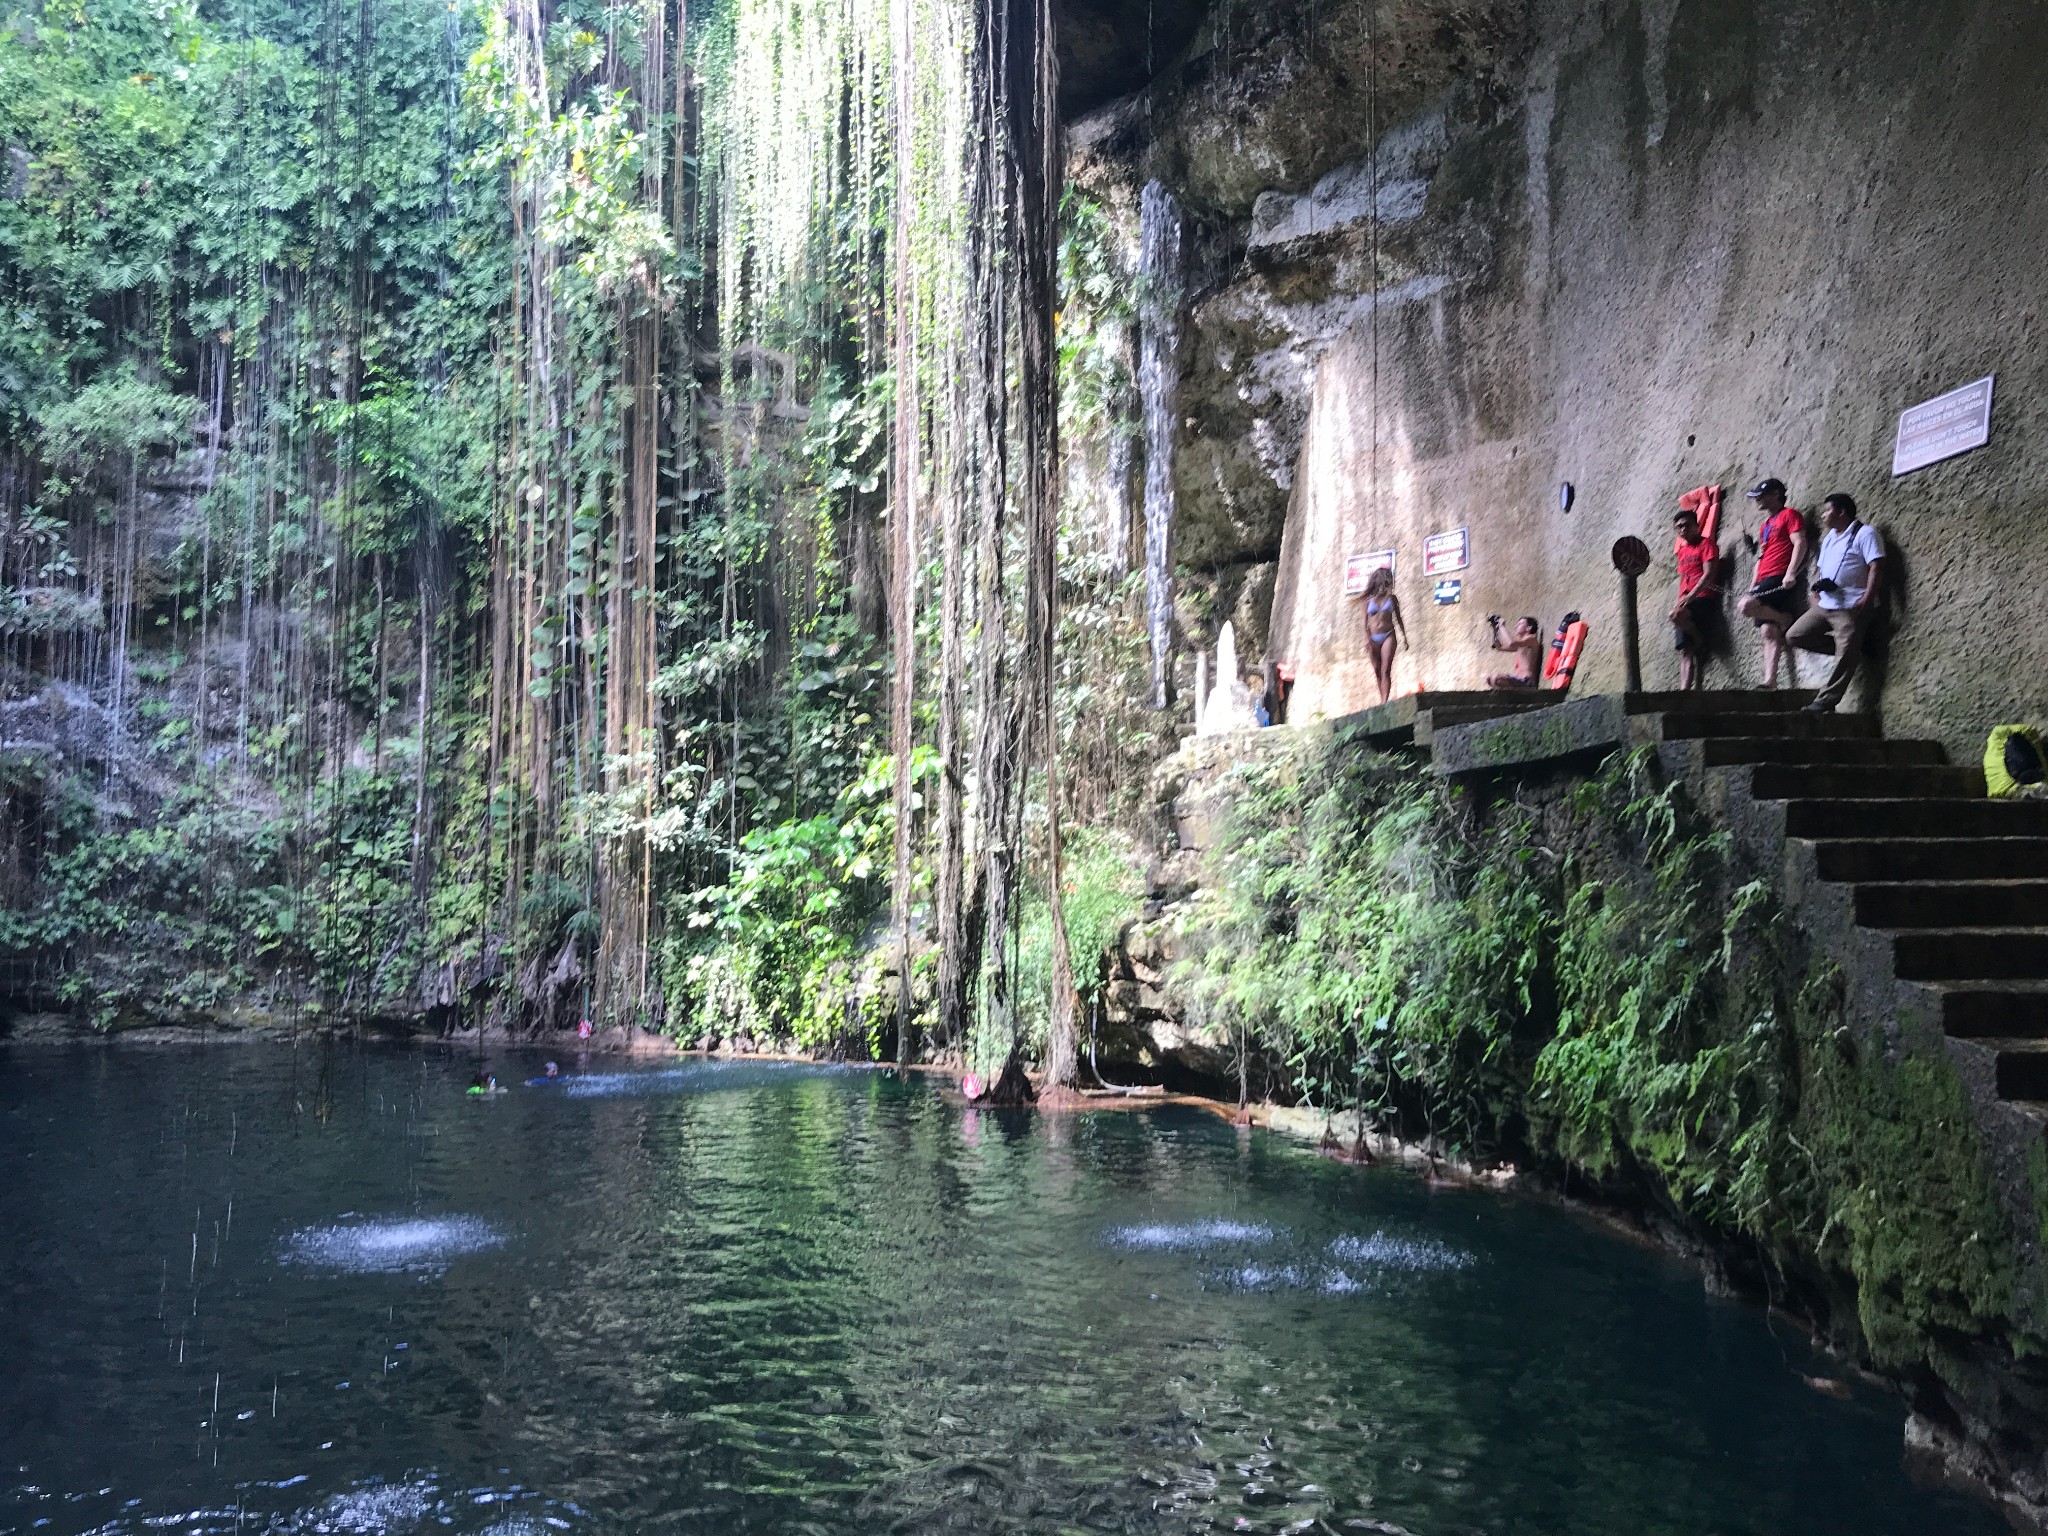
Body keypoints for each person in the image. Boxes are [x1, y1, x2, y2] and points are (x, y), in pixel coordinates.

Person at [1786, 492, 1884, 713]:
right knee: (1795, 635)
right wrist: (1815, 590)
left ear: (1841, 512)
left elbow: (1876, 567)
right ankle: (1856, 650)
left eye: (1827, 510)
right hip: (1826, 603)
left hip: (1851, 605)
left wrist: (1867, 600)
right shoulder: (1830, 537)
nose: (1823, 515)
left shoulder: (1865, 533)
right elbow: (1822, 567)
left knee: (1846, 646)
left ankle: (1826, 700)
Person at [1735, 478, 1809, 689]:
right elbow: (1760, 558)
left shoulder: (1790, 515)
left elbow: (1800, 542)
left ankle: (1784, 618)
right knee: (1768, 631)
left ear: (1776, 494)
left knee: (1745, 606)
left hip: (1779, 576)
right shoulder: (1765, 525)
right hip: (1763, 578)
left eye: (1762, 495)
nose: (1758, 499)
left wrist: (1791, 573)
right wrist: (1752, 584)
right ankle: (1771, 680)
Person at [1669, 507, 1720, 690]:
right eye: (1679, 527)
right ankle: (1685, 690)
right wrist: (1679, 599)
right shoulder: (1682, 551)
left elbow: (1708, 574)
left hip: (1702, 598)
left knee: (1675, 616)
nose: (1683, 529)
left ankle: (1699, 640)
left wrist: (1690, 597)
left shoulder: (1707, 545)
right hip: (1686, 601)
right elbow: (1683, 578)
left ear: (1696, 526)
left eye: (1687, 525)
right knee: (1685, 650)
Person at [1358, 565, 1409, 705]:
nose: (1390, 583)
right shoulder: (1367, 601)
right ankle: (1382, 700)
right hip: (1372, 637)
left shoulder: (1392, 599)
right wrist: (1366, 639)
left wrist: (1404, 637)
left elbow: (1398, 619)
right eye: (1387, 580)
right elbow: (1364, 623)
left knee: (1385, 669)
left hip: (1388, 635)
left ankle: (1384, 702)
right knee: (1377, 670)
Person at [1484, 615, 1542, 689]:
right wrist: (1495, 629)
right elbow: (1499, 647)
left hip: (1527, 681)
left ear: (1529, 628)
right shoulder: (1521, 645)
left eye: (1520, 624)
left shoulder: (1532, 639)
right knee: (1489, 678)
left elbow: (1511, 643)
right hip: (1518, 679)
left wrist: (1502, 626)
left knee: (1496, 678)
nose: (1516, 626)